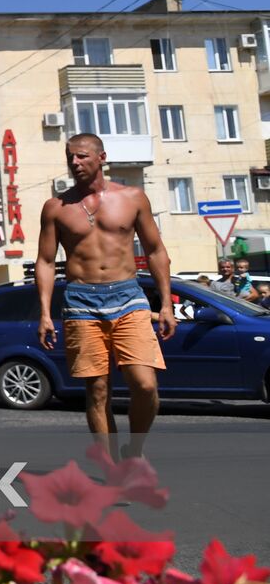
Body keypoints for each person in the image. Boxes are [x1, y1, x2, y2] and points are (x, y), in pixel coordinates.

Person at [36, 133, 175, 459]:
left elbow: (156, 251)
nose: (75, 163)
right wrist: (44, 312)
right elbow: (44, 260)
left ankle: (135, 450)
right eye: (70, 157)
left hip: (128, 296)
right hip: (80, 301)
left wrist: (166, 304)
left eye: (82, 156)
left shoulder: (133, 198)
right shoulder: (56, 207)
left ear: (102, 157)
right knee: (97, 391)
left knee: (145, 385)